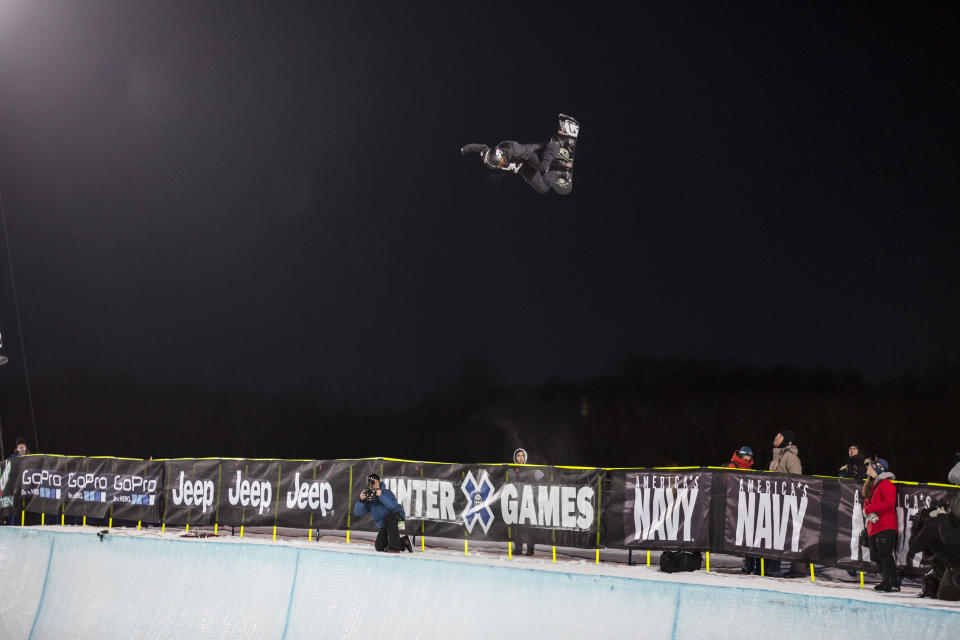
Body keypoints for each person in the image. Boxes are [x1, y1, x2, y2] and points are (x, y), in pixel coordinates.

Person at [461, 137, 562, 194]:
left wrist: (546, 143)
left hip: (528, 158)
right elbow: (474, 147)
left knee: (542, 169)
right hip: (523, 170)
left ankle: (555, 144)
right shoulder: (486, 156)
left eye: (503, 160)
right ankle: (557, 172)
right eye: (500, 164)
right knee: (542, 189)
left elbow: (530, 148)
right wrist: (464, 149)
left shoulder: (511, 149)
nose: (503, 163)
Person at [906, 496, 960, 600]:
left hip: (955, 564)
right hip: (951, 563)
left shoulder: (935, 523)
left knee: (945, 594)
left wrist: (915, 527)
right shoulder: (950, 520)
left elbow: (914, 547)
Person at [863, 457, 899, 592]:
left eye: (870, 466)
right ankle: (890, 582)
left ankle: (889, 582)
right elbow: (867, 504)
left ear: (878, 468)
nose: (867, 468)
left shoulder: (887, 484)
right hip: (874, 527)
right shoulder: (872, 485)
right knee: (877, 556)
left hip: (885, 525)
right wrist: (868, 511)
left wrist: (870, 509)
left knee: (884, 555)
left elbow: (889, 504)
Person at [353, 473, 413, 553]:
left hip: (398, 520)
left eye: (375, 482)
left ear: (379, 482)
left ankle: (394, 548)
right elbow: (357, 512)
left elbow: (392, 506)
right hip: (385, 525)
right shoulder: (369, 497)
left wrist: (380, 495)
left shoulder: (386, 492)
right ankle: (404, 542)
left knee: (390, 517)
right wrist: (361, 500)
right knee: (379, 547)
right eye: (371, 482)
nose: (373, 484)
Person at [508, 447, 542, 556]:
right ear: (515, 457)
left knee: (528, 526)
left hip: (529, 503)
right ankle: (518, 548)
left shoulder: (531, 468)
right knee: (516, 526)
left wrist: (532, 473)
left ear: (525, 457)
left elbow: (542, 475)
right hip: (516, 503)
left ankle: (530, 549)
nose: (520, 457)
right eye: (518, 455)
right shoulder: (511, 469)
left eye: (522, 455)